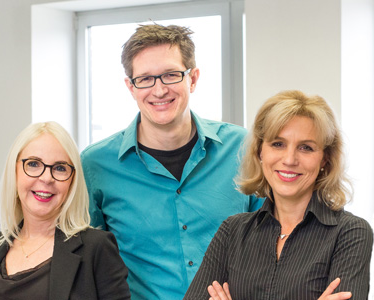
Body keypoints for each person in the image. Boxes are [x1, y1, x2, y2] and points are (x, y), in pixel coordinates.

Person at [81, 24, 263, 299]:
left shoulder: (243, 147)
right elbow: (88, 263)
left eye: (170, 75)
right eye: (145, 79)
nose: (159, 90)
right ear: (130, 87)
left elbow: (277, 241)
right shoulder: (95, 165)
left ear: (193, 78)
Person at [184, 90, 373, 300]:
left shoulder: (350, 233)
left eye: (306, 148)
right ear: (260, 152)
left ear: (324, 159)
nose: (290, 159)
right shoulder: (232, 231)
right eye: (278, 144)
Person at [0, 122, 131, 300]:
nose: (47, 178)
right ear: (14, 171)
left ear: (72, 181)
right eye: (33, 164)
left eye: (60, 168)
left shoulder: (97, 248)